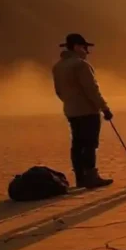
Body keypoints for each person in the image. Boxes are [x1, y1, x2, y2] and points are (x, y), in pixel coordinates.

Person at [52, 33, 114, 189]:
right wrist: (104, 107)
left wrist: (69, 102)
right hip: (87, 111)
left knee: (77, 144)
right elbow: (91, 89)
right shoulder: (81, 65)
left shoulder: (58, 66)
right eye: (84, 47)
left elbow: (58, 91)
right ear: (76, 47)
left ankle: (80, 177)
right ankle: (91, 176)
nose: (86, 51)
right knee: (90, 144)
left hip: (71, 110)